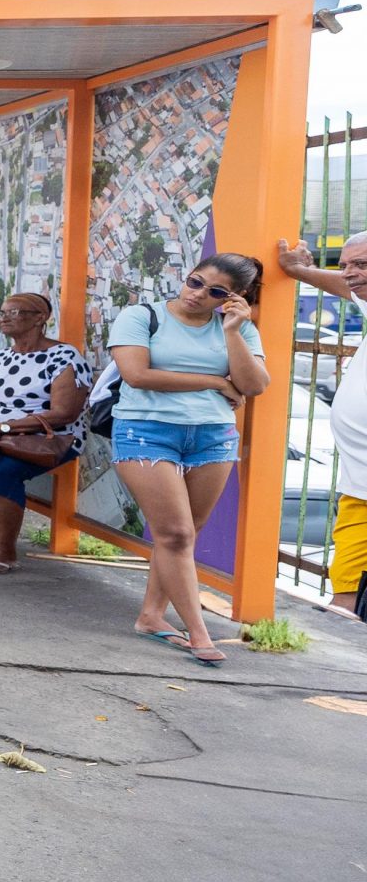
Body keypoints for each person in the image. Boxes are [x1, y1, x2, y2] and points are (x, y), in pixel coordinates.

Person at [108, 253, 268, 664]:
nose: (198, 294)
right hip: (146, 429)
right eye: (195, 282)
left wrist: (233, 331)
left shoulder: (238, 328)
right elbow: (137, 375)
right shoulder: (141, 316)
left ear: (234, 298)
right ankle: (199, 633)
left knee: (183, 533)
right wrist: (214, 381)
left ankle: (151, 616)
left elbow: (253, 385)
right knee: (176, 534)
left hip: (213, 435)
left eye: (215, 292)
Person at [276, 236, 367, 613]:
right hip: (359, 491)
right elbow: (345, 287)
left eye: (361, 264)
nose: (349, 274)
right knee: (345, 596)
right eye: (344, 265)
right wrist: (298, 270)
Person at [0, 291, 85, 574]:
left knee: (3, 471)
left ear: (39, 318)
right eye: (2, 313)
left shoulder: (63, 356)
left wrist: (5, 428)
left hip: (48, 439)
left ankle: (5, 550)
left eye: (14, 312)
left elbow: (64, 413)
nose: (4, 318)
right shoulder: (0, 358)